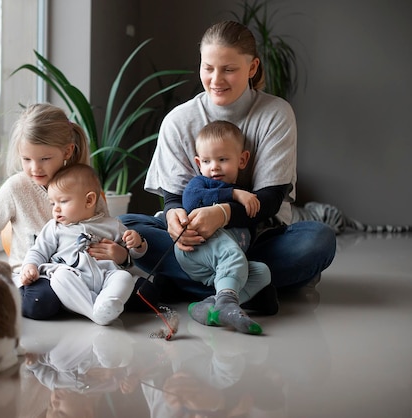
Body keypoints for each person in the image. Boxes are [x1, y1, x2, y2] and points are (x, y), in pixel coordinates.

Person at [120, 20, 336, 303]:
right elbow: (174, 199)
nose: (216, 80)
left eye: (229, 69)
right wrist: (174, 219)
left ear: (253, 68)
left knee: (318, 240)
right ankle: (249, 286)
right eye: (208, 68)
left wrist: (222, 214)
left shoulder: (275, 114)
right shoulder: (178, 121)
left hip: (257, 240)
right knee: (127, 227)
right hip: (197, 246)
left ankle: (182, 284)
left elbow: (269, 201)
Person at [0, 103, 130, 320]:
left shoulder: (84, 184)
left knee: (135, 287)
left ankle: (90, 304)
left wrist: (119, 256)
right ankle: (91, 308)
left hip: (83, 276)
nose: (35, 168)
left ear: (67, 151)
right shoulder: (16, 188)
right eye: (27, 159)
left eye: (45, 159)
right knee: (40, 304)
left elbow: (103, 229)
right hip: (35, 276)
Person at [177, 120, 276, 335]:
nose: (214, 166)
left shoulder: (247, 193)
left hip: (221, 263)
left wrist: (241, 196)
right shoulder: (201, 184)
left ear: (242, 160)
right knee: (232, 255)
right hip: (196, 249)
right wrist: (232, 194)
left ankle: (212, 307)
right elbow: (191, 200)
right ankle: (228, 302)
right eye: (206, 160)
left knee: (262, 273)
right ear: (198, 163)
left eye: (222, 159)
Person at [21, 164, 147, 325]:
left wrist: (137, 244)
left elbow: (134, 255)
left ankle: (106, 302)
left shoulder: (112, 225)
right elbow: (38, 251)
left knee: (124, 277)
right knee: (60, 276)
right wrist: (30, 266)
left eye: (63, 201)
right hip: (73, 280)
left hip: (104, 278)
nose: (56, 209)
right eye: (53, 203)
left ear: (89, 200)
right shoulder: (54, 228)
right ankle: (95, 313)